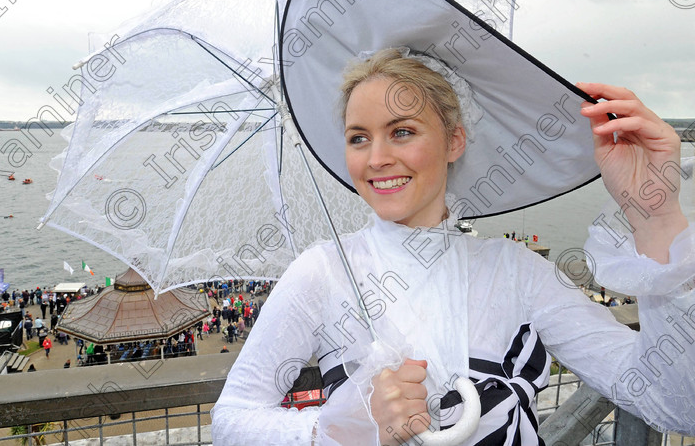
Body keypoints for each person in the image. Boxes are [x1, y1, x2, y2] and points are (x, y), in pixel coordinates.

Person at [211, 49, 695, 444]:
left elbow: (671, 404)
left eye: (402, 131)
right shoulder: (323, 272)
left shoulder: (517, 272)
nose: (377, 159)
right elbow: (232, 418)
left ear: (455, 140)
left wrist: (653, 217)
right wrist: (340, 428)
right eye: (359, 138)